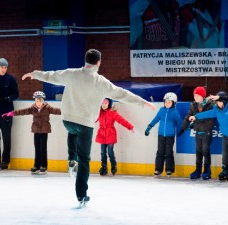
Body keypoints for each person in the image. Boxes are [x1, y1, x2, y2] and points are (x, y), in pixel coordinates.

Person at [22, 49, 156, 207]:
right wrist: (142, 102)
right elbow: (121, 94)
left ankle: (71, 159)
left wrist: (35, 73)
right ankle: (81, 195)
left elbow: (52, 75)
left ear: (85, 61)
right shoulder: (100, 82)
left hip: (68, 119)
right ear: (98, 63)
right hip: (85, 124)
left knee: (72, 131)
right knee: (84, 159)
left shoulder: (72, 73)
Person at [2, 91, 61, 175]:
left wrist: (67, 112)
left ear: (43, 101)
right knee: (37, 148)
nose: (39, 103)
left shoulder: (48, 108)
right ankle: (36, 166)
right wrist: (11, 113)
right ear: (35, 101)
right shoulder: (33, 108)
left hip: (44, 130)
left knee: (43, 149)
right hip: (36, 130)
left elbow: (57, 111)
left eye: (40, 101)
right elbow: (23, 111)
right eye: (37, 101)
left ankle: (44, 166)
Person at [190, 91, 228, 181]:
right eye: (217, 102)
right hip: (224, 135)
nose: (218, 103)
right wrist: (196, 116)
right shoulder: (216, 110)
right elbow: (207, 114)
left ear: (224, 101)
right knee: (224, 154)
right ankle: (225, 169)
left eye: (220, 101)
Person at [179, 86, 215, 180]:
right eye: (195, 95)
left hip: (207, 132)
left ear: (203, 96)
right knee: (198, 152)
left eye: (198, 95)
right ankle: (198, 170)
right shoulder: (193, 105)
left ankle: (207, 171)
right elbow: (188, 116)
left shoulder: (209, 105)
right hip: (198, 132)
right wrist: (183, 128)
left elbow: (209, 117)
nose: (196, 97)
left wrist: (196, 117)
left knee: (205, 152)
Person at [145, 92, 183, 177]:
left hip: (170, 136)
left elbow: (180, 122)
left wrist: (187, 127)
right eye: (166, 101)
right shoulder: (161, 110)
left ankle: (169, 169)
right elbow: (156, 119)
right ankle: (158, 169)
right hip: (161, 135)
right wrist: (149, 127)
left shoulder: (175, 112)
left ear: (174, 103)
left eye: (169, 102)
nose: (167, 103)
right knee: (160, 152)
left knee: (169, 152)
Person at [96, 98, 134, 176]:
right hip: (102, 134)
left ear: (109, 104)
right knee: (103, 153)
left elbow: (121, 120)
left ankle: (113, 166)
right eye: (102, 103)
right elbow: (92, 119)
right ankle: (104, 167)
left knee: (110, 152)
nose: (103, 105)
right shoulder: (99, 112)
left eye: (105, 103)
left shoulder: (112, 112)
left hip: (110, 134)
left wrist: (130, 127)